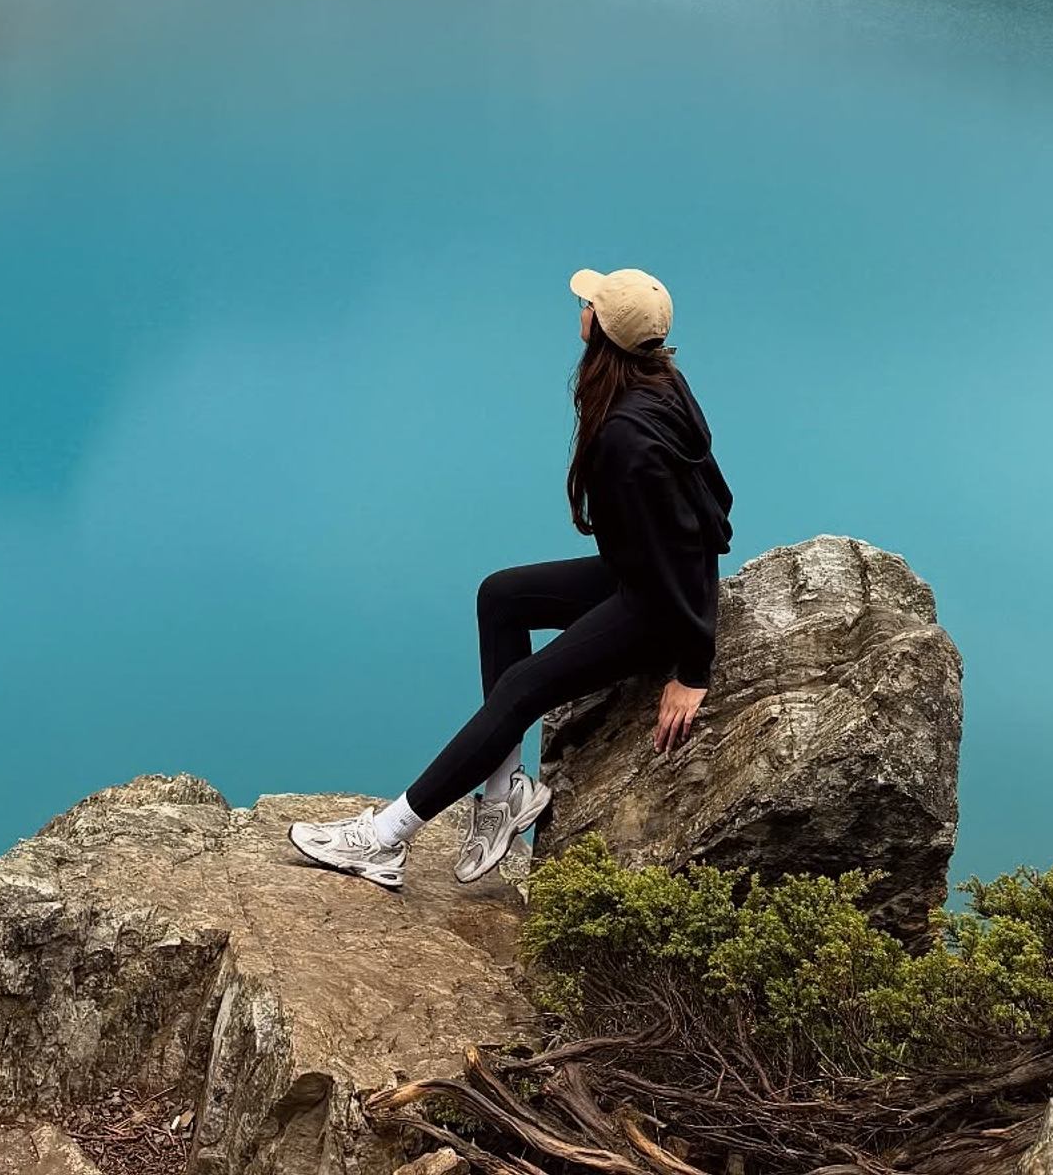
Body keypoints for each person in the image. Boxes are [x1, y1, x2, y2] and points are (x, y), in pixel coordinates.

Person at [288, 265, 734, 890]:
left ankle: (386, 839)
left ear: (601, 331)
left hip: (657, 604)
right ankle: (503, 795)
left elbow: (687, 545)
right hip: (638, 575)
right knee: (501, 595)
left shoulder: (626, 438)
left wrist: (693, 669)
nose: (579, 309)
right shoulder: (659, 383)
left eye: (588, 305)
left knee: (524, 686)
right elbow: (709, 505)